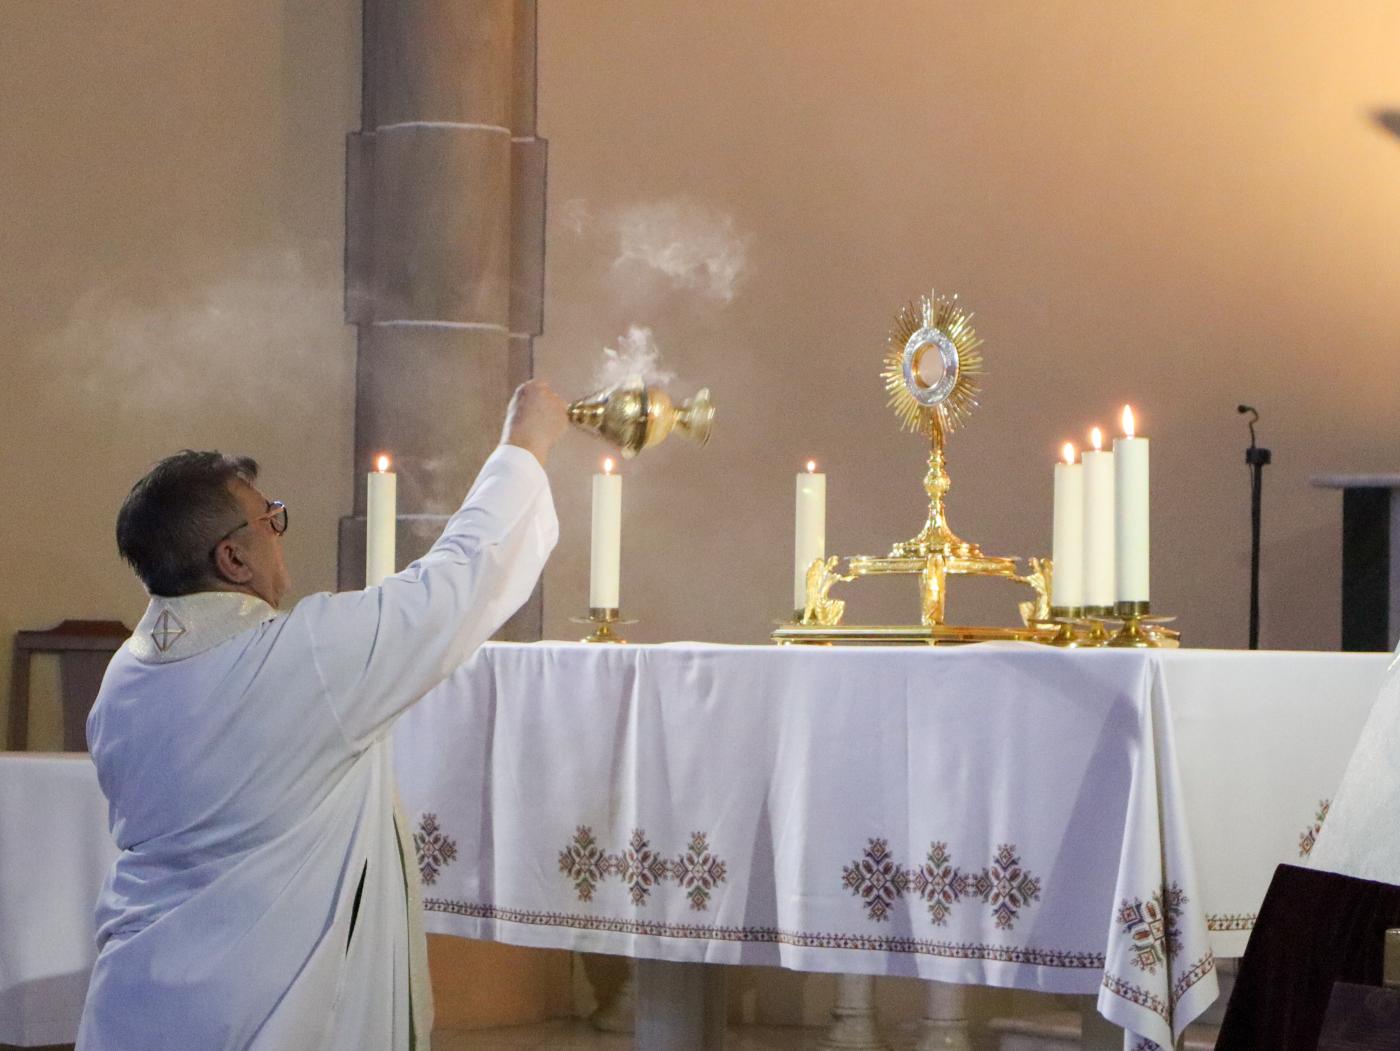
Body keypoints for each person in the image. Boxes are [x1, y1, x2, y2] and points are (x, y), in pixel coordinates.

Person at [76, 381, 568, 1051]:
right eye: (269, 521)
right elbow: (459, 581)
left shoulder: (123, 678)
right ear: (232, 557)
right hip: (260, 1013)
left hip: (139, 1000)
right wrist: (523, 446)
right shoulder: (297, 660)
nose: (279, 536)